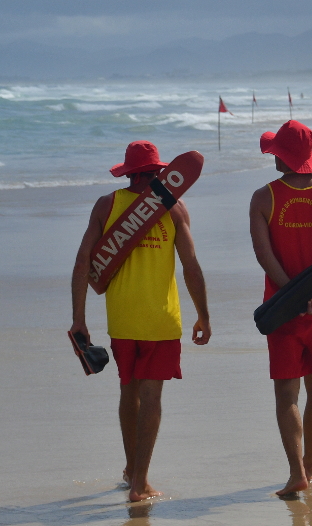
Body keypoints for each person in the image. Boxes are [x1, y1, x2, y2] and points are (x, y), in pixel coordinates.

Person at [70, 140, 211, 502]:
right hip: (161, 321)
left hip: (122, 320)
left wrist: (79, 319)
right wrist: (203, 315)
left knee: (128, 391)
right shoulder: (174, 208)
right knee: (151, 397)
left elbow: (83, 261)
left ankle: (132, 470)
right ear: (160, 172)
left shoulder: (107, 205)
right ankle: (140, 484)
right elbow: (190, 266)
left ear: (129, 172)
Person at [248, 120, 312, 496]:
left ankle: (297, 473)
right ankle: (310, 465)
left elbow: (264, 254)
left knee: (286, 394)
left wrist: (292, 294)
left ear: (283, 157)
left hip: (283, 310)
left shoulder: (264, 198)